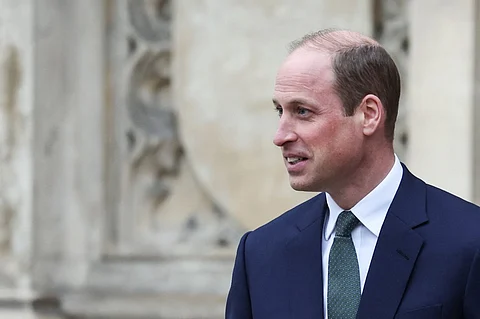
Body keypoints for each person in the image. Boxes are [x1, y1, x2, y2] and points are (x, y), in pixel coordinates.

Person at [225, 28, 480, 319]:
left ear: (369, 114)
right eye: (279, 112)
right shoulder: (259, 253)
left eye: (302, 112)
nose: (280, 136)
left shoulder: (470, 243)